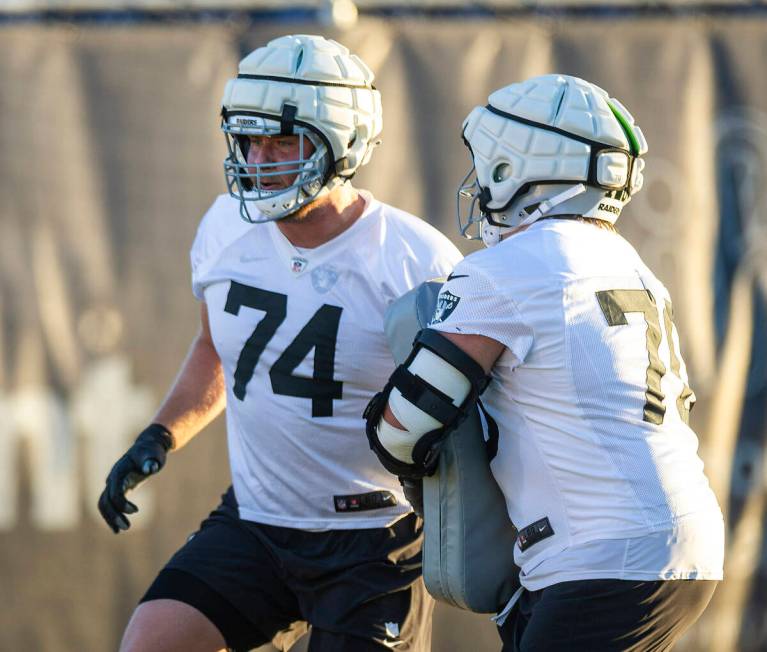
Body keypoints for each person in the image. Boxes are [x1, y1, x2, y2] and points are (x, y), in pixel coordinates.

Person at [97, 34, 462, 652]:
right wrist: (159, 434)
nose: (260, 159)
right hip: (258, 523)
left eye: (283, 140)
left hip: (375, 537)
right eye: (249, 140)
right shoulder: (223, 227)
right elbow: (217, 349)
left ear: (342, 141)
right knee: (151, 642)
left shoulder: (413, 261)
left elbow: (468, 409)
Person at [365, 74, 724, 650]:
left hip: (604, 552)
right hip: (677, 539)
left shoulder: (511, 268)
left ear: (515, 169)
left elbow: (406, 427)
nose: (481, 183)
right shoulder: (628, 263)